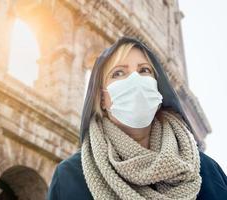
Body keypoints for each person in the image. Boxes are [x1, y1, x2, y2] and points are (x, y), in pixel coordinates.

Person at [46, 36, 227, 200]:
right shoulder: (71, 176)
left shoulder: (207, 171)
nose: (135, 79)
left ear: (158, 89)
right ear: (102, 98)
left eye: (144, 70)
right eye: (118, 73)